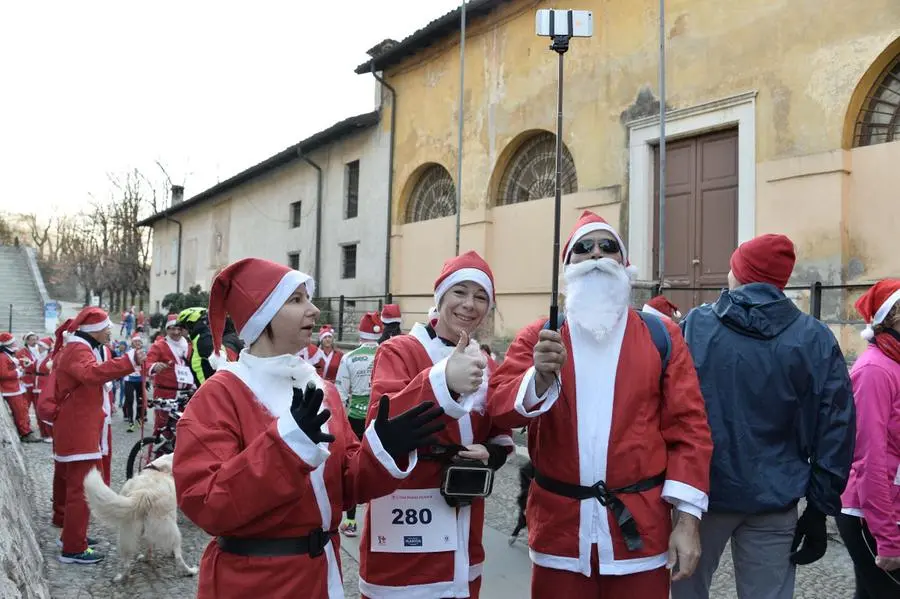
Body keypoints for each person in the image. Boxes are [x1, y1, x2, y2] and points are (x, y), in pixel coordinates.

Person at [172, 257, 446, 599]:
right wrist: (285, 448)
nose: (314, 311)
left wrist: (382, 450)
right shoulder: (219, 395)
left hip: (322, 577)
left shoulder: (322, 389)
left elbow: (345, 487)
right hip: (254, 583)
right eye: (296, 300)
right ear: (263, 314)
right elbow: (207, 504)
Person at [488, 211, 713, 598]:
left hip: (639, 532)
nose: (595, 255)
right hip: (560, 533)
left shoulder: (661, 336)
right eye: (583, 248)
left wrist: (688, 521)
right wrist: (538, 379)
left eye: (607, 247)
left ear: (624, 264)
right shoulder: (539, 336)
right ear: (568, 266)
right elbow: (498, 407)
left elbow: (690, 428)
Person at [672, 234, 856, 599]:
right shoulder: (815, 338)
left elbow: (667, 406)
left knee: (684, 591)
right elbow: (836, 427)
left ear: (739, 272)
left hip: (701, 496)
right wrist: (819, 508)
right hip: (775, 497)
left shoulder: (695, 326)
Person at [359, 250, 514, 599]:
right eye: (460, 292)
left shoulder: (485, 361)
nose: (469, 305)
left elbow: (498, 425)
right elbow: (380, 422)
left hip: (462, 516)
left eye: (480, 297)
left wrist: (492, 452)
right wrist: (443, 380)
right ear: (440, 296)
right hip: (404, 511)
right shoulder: (399, 350)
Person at [51, 307, 144, 564]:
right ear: (93, 330)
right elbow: (91, 375)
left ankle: (73, 536)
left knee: (80, 487)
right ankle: (73, 548)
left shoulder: (80, 348)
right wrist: (129, 361)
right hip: (78, 427)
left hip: (81, 426)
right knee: (82, 489)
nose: (110, 332)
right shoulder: (78, 349)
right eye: (106, 327)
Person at [837, 279, 900, 598]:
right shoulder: (875, 371)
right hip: (870, 516)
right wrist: (888, 538)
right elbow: (868, 459)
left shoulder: (895, 364)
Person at [334, 313, 381, 537]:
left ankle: (351, 522)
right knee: (380, 464)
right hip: (380, 415)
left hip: (355, 416)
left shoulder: (349, 357)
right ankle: (380, 521)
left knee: (353, 465)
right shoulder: (386, 354)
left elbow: (340, 392)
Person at [145, 313, 195, 431]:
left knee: (184, 428)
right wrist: (154, 366)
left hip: (186, 394)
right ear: (167, 329)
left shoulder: (190, 345)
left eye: (179, 329)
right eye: (173, 329)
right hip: (165, 392)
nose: (176, 332)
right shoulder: (159, 346)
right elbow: (146, 363)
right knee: (162, 427)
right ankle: (156, 449)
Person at [1, 332, 39, 442]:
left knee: (23, 409)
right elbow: (3, 374)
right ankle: (25, 433)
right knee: (19, 411)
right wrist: (18, 372)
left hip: (15, 387)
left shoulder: (6, 355)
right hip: (10, 389)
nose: (15, 344)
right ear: (8, 344)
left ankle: (26, 430)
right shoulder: (2, 357)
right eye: (13, 343)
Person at [177, 307, 217, 386]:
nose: (179, 332)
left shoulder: (204, 340)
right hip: (205, 391)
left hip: (210, 391)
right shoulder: (198, 339)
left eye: (181, 328)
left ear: (189, 325)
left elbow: (216, 368)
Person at [33, 337, 54, 441]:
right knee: (38, 410)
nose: (38, 347)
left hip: (45, 385)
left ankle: (49, 433)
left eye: (41, 346)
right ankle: (43, 433)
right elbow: (36, 368)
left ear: (45, 347)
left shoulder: (51, 357)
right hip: (37, 385)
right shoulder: (39, 356)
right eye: (39, 345)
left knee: (45, 409)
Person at [123, 333, 145, 432]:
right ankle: (131, 421)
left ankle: (138, 418)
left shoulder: (144, 353)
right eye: (135, 342)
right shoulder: (128, 353)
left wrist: (147, 380)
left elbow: (147, 367)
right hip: (129, 379)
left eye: (138, 341)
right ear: (132, 343)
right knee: (130, 400)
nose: (137, 343)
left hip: (140, 380)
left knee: (140, 401)